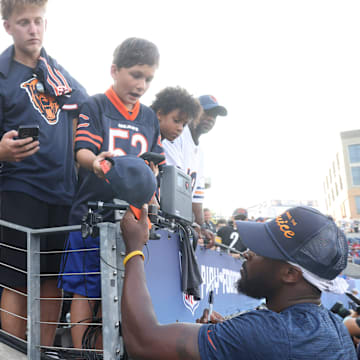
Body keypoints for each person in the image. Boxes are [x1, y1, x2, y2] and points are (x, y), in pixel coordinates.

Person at [120, 205, 357, 359]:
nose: (247, 253)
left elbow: (143, 342)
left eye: (261, 250)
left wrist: (134, 249)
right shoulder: (336, 328)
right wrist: (226, 336)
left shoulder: (268, 332)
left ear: (290, 274)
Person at [58, 37, 163, 349]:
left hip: (131, 220)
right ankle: (81, 352)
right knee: (85, 289)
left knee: (117, 291)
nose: (141, 85)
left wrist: (152, 200)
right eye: (135, 74)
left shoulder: (149, 117)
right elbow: (82, 153)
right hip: (92, 214)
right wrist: (98, 164)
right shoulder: (95, 105)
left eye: (148, 78)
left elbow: (155, 166)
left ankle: (105, 352)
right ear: (115, 70)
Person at [0, 0, 87, 345]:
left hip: (63, 191)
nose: (33, 29)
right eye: (24, 22)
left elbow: (88, 114)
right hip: (18, 188)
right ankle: (11, 352)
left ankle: (46, 350)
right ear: (8, 26)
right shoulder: (2, 75)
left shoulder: (60, 74)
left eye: (38, 21)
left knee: (53, 280)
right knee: (17, 277)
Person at [162, 95, 227, 227]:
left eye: (214, 116)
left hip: (177, 218)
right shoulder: (176, 135)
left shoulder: (200, 151)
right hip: (163, 214)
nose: (210, 119)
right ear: (192, 113)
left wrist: (201, 227)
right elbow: (173, 185)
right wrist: (189, 224)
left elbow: (197, 196)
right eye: (206, 113)